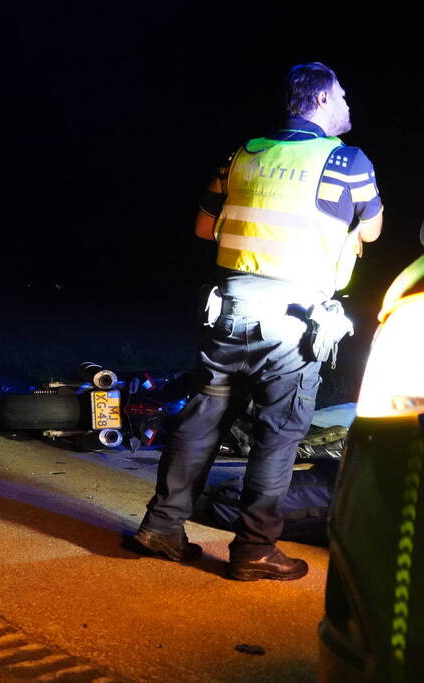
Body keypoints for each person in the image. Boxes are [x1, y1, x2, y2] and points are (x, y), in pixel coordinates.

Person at [133, 62, 383, 581]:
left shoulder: (242, 154)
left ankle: (161, 527)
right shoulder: (347, 161)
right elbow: (373, 230)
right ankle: (253, 550)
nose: (348, 104)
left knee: (202, 420)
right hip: (293, 324)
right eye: (341, 95)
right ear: (317, 102)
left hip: (228, 313)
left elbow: (205, 227)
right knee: (279, 433)